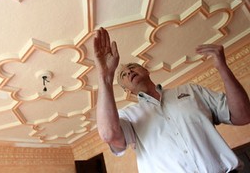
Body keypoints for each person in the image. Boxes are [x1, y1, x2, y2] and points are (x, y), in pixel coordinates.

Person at [93, 27, 250, 173]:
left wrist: (222, 67)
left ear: (146, 70)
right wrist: (105, 77)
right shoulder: (128, 116)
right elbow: (109, 134)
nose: (128, 72)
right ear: (127, 90)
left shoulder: (191, 90)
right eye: (123, 75)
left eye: (132, 67)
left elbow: (243, 115)